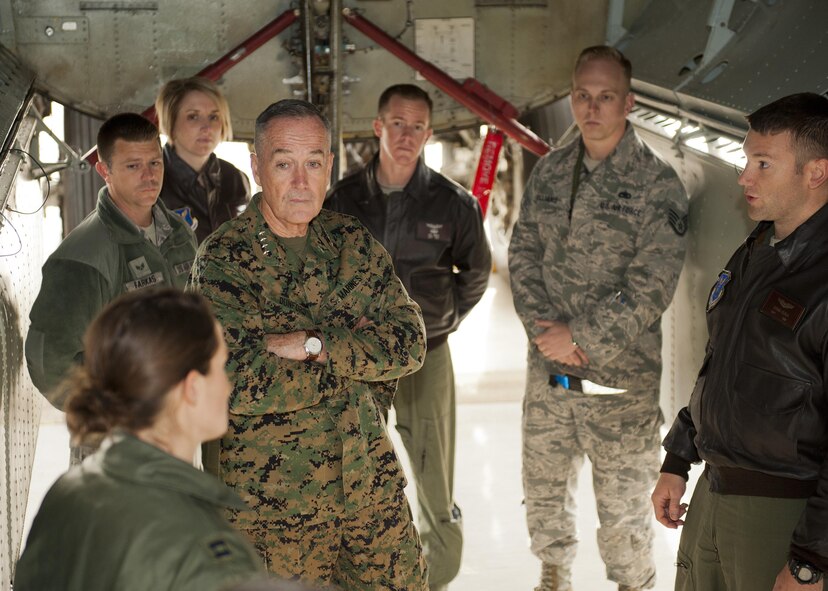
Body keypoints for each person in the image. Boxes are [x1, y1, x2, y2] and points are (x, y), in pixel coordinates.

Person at [189, 99, 429, 590]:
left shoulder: (351, 243)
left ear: (329, 167)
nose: (301, 181)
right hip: (273, 514)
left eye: (313, 163)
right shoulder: (223, 261)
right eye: (284, 164)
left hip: (370, 493)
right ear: (256, 168)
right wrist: (359, 355)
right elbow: (238, 382)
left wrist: (315, 344)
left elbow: (409, 343)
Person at [508, 45, 687, 591]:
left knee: (625, 522)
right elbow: (523, 252)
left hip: (619, 390)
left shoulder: (658, 186)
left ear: (628, 102)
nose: (592, 107)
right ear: (571, 98)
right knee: (543, 499)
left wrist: (578, 336)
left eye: (605, 97)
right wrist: (547, 337)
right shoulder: (551, 172)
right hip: (550, 379)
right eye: (583, 96)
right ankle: (553, 578)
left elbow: (652, 286)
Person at [652, 93, 828, 591]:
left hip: (780, 514)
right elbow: (722, 363)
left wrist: (812, 558)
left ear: (815, 172)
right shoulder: (759, 247)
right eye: (746, 160)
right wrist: (678, 459)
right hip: (714, 491)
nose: (744, 176)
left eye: (763, 163)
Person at [325, 83, 492, 590]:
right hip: (361, 363)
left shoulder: (451, 203)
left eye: (417, 126)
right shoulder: (345, 199)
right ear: (378, 127)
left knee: (433, 477)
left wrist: (441, 322)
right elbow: (325, 271)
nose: (406, 135)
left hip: (427, 359)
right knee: (353, 470)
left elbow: (477, 273)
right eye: (397, 123)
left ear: (428, 133)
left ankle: (435, 577)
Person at [14, 288, 264, 591]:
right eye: (221, 367)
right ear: (193, 388)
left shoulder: (67, 490)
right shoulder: (204, 548)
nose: (228, 385)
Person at [25, 112, 197, 462]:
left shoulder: (180, 236)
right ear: (106, 171)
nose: (149, 176)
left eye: (154, 162)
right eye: (133, 166)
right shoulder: (83, 255)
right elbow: (50, 364)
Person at [155, 76, 250, 243]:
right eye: (193, 116)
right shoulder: (152, 180)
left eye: (214, 117)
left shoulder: (235, 179)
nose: (207, 127)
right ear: (171, 121)